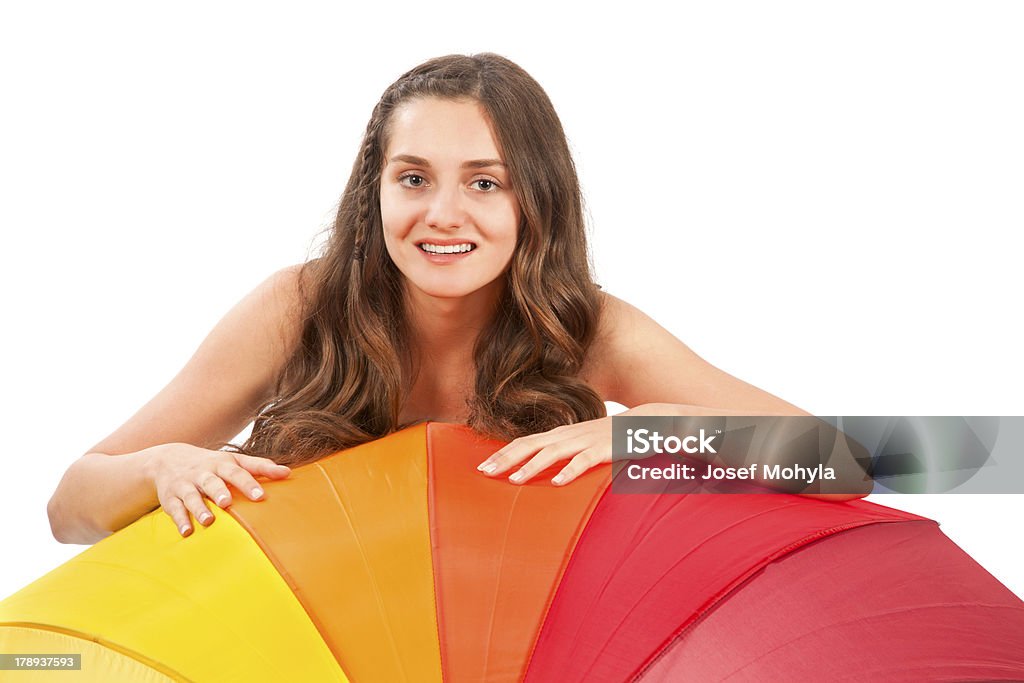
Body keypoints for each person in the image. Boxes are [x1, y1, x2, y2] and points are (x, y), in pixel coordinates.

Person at [47, 53, 850, 546]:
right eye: (414, 178)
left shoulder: (594, 330)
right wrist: (161, 468)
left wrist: (643, 441)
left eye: (484, 182)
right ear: (376, 191)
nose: (443, 214)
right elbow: (67, 506)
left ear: (533, 199)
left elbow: (850, 460)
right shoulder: (298, 308)